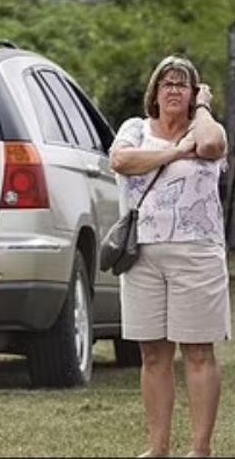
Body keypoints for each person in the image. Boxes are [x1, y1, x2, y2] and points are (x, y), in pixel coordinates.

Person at [110, 55, 230, 459]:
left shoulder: (206, 129)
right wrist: (177, 153)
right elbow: (122, 161)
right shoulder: (135, 128)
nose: (174, 89)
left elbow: (212, 147)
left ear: (195, 94)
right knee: (153, 354)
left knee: (197, 351)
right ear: (155, 93)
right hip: (142, 253)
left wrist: (204, 108)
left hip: (197, 253)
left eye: (184, 84)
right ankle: (157, 447)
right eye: (167, 83)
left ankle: (200, 449)